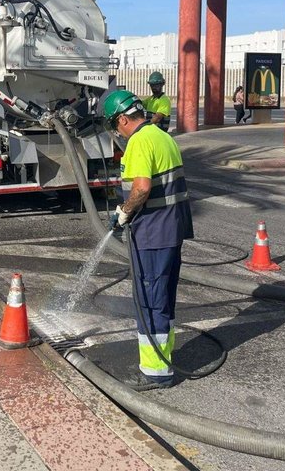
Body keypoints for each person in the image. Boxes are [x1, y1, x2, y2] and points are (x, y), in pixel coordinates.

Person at [103, 89, 194, 390]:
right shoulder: (162, 136)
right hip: (171, 230)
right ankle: (162, 360)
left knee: (150, 301)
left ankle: (155, 372)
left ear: (122, 119)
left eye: (114, 125)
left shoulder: (140, 141)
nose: (117, 132)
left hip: (153, 233)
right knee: (163, 298)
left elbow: (141, 189)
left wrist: (124, 212)